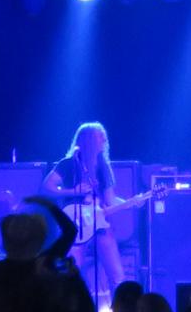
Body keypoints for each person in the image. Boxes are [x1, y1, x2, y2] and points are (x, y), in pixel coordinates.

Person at [41, 122, 128, 302]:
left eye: (104, 136)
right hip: (75, 224)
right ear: (88, 140)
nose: (104, 140)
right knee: (73, 274)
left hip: (99, 225)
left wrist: (131, 203)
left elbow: (110, 200)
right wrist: (72, 191)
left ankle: (119, 310)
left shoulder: (103, 167)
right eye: (100, 137)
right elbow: (47, 187)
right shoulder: (68, 164)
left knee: (117, 276)